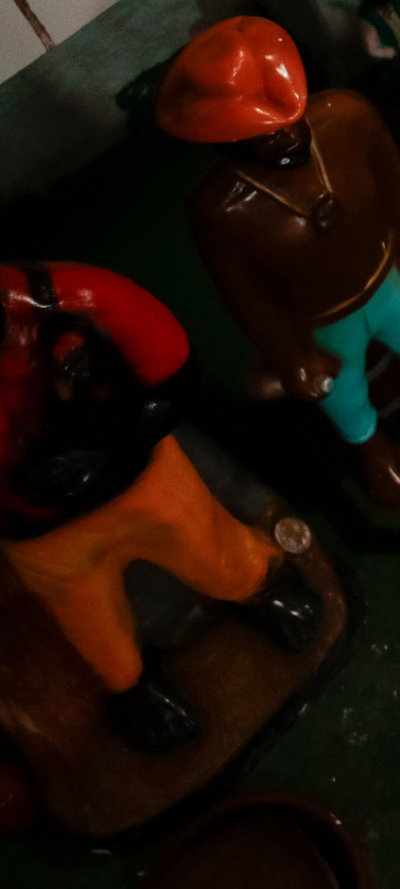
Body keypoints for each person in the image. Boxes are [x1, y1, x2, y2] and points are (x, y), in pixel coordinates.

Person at [156, 18, 400, 511]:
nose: (291, 134)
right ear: (228, 141)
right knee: (341, 392)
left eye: (292, 114)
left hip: (389, 275)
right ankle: (369, 446)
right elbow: (242, 293)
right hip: (321, 319)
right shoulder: (219, 210)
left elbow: (394, 178)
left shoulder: (347, 117)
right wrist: (289, 356)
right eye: (267, 131)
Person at [0, 262, 321, 753]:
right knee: (89, 623)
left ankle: (263, 585)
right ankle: (130, 690)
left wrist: (105, 449)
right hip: (38, 533)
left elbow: (173, 376)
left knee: (210, 549)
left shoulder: (76, 301)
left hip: (142, 481)